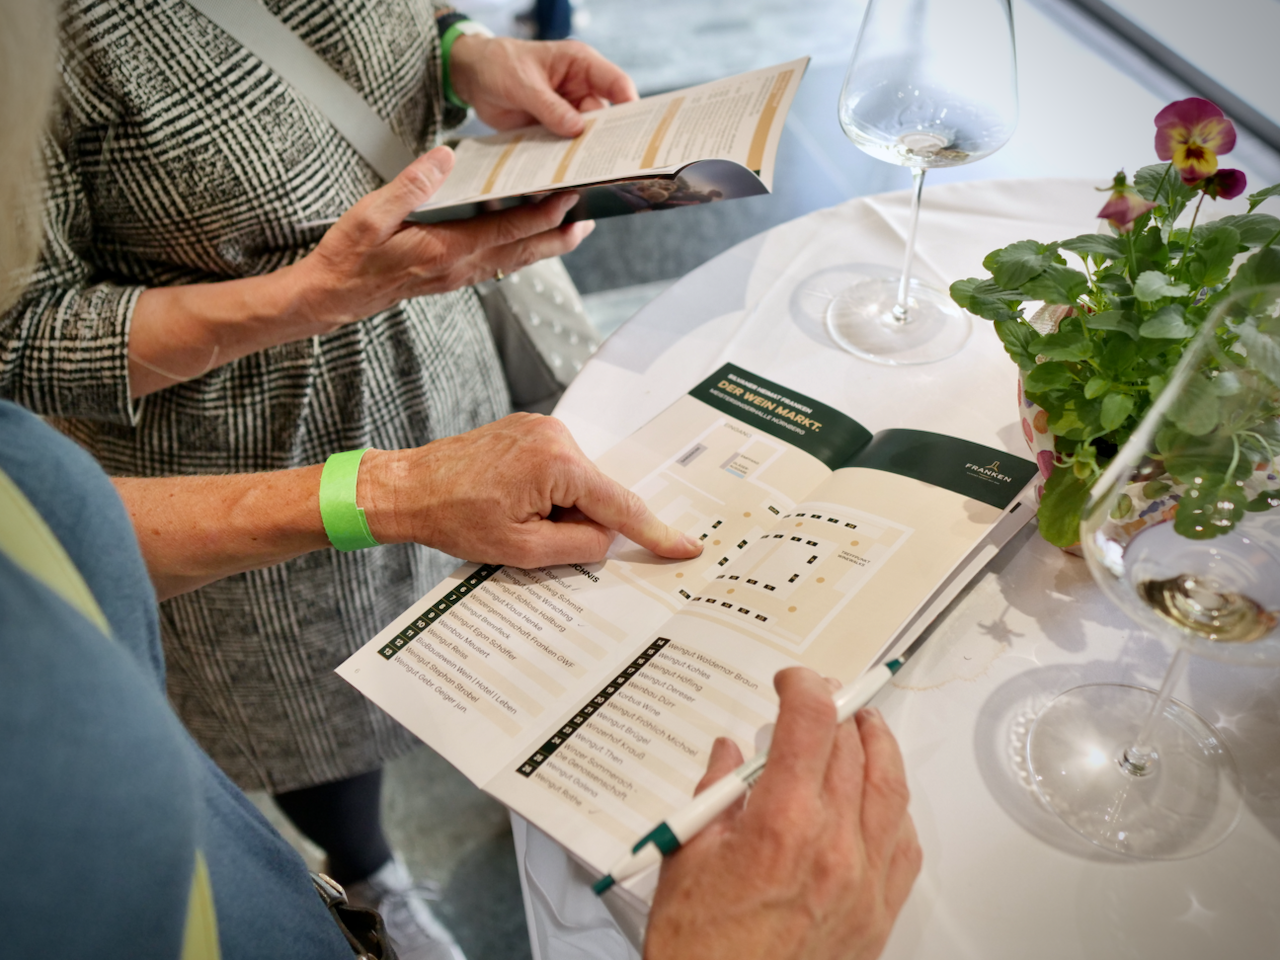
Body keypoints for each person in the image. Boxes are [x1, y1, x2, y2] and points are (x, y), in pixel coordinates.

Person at [0, 1, 641, 950]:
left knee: (501, 619)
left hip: (440, 348)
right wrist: (306, 297)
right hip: (244, 451)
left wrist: (464, 51)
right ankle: (370, 870)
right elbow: (19, 338)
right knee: (322, 710)